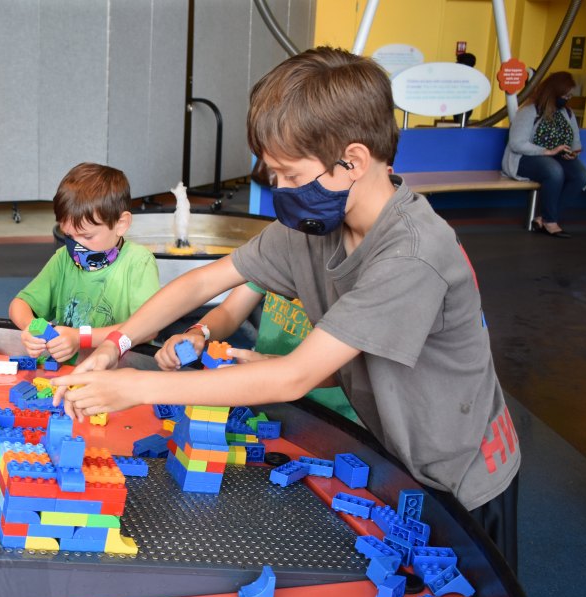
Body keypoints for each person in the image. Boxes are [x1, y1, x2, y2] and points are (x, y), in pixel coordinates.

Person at [52, 47, 520, 567]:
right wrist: (119, 343)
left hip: (460, 469)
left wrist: (133, 387)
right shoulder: (313, 227)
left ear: (354, 161)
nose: (281, 190)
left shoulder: (412, 254)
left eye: (292, 175)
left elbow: (293, 379)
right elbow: (205, 281)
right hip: (394, 447)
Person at [9, 162, 160, 363]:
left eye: (87, 236)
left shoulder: (138, 263)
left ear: (120, 224)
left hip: (122, 372)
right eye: (69, 235)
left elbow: (148, 328)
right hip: (69, 371)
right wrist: (31, 328)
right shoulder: (64, 259)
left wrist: (81, 338)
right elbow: (19, 304)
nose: (77, 246)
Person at [156, 284, 359, 423]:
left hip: (335, 416)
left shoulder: (366, 276)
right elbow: (230, 311)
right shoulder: (283, 248)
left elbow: (355, 368)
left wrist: (273, 366)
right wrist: (198, 332)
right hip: (268, 401)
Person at [502, 71, 586, 238]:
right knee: (554, 171)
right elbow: (517, 143)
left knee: (581, 175)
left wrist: (574, 152)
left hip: (557, 157)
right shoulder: (529, 111)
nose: (567, 98)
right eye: (565, 94)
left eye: (570, 95)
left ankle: (545, 218)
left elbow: (576, 141)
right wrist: (547, 151)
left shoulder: (567, 113)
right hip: (526, 158)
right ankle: (550, 222)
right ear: (554, 92)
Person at [453, 52, 477, 124]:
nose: (456, 63)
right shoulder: (471, 77)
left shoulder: (468, 78)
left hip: (463, 108)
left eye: (459, 62)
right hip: (460, 107)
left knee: (459, 123)